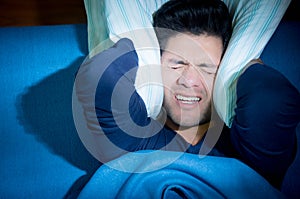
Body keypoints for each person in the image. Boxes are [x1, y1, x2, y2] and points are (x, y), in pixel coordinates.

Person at [75, 0, 300, 190]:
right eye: (176, 64)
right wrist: (137, 47)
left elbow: (271, 100)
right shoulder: (132, 139)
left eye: (207, 68)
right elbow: (101, 76)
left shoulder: (251, 152)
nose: (189, 80)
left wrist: (244, 66)